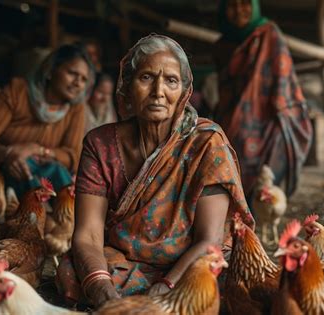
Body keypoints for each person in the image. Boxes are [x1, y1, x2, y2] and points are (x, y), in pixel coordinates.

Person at [55, 34, 254, 309]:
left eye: (171, 80)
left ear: (184, 91)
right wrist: (101, 286)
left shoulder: (207, 143)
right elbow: (88, 234)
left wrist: (165, 288)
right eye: (146, 78)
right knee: (72, 270)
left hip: (189, 263)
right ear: (127, 86)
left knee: (224, 283)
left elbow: (210, 239)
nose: (158, 91)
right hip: (126, 261)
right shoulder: (99, 145)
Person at [213, 0, 313, 198]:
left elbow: (283, 75)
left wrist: (280, 108)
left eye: (245, 4)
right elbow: (223, 86)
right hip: (230, 116)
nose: (239, 10)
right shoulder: (221, 45)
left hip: (267, 115)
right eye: (231, 6)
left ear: (254, 7)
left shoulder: (269, 34)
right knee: (228, 167)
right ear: (224, 11)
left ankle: (255, 220)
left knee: (264, 185)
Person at [0, 44, 94, 196]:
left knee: (60, 177)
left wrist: (38, 150)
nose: (78, 83)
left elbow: (74, 157)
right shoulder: (17, 92)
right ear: (51, 70)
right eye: (72, 73)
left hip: (46, 178)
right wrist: (7, 154)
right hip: (4, 172)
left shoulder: (75, 108)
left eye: (84, 79)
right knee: (24, 172)